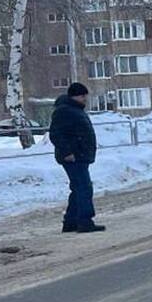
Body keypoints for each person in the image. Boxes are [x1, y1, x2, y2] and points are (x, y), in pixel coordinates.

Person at [49, 82, 104, 233]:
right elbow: (56, 134)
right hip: (73, 157)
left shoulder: (74, 110)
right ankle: (85, 221)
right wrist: (67, 152)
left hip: (79, 155)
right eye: (82, 96)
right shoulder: (65, 111)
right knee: (84, 188)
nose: (85, 98)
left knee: (78, 188)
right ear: (74, 96)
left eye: (85, 95)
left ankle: (71, 222)